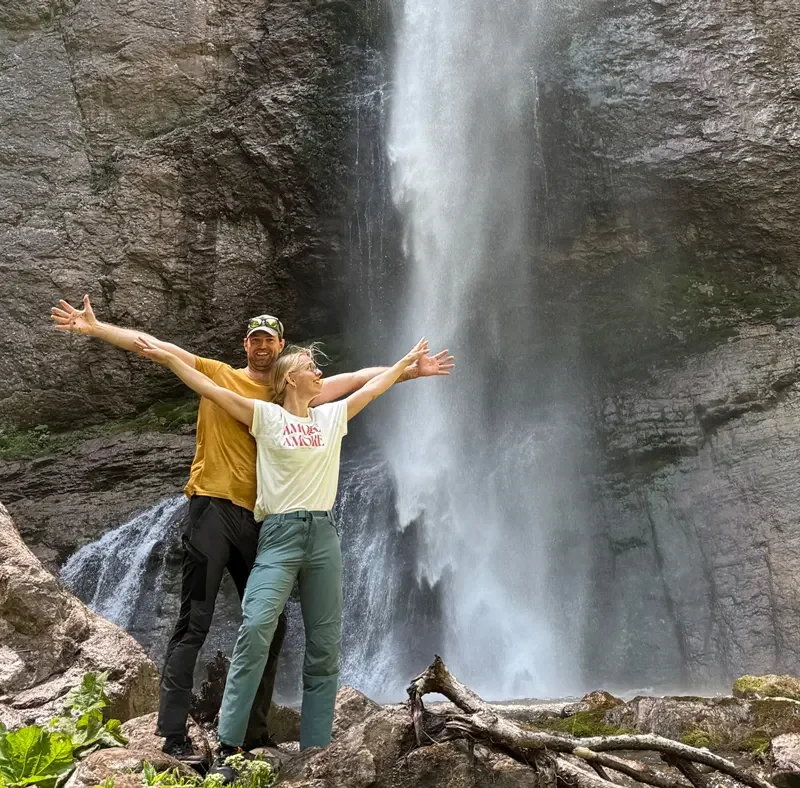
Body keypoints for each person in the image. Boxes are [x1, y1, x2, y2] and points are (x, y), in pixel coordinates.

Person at [50, 296, 454, 762]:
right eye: (255, 339)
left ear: (281, 348)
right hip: (214, 510)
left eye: (270, 340)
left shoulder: (299, 398)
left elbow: (363, 380)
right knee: (195, 620)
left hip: (259, 521)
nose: (262, 346)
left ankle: (256, 733)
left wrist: (409, 369)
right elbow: (156, 346)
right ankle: (175, 732)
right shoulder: (228, 380)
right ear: (246, 345)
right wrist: (98, 329)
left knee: (272, 625)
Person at [133, 335, 429, 771]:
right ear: (291, 378)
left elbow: (368, 387)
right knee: (256, 627)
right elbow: (211, 388)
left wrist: (405, 366)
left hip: (324, 535)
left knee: (325, 645)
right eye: (312, 367)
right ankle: (231, 742)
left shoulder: (331, 417)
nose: (320, 374)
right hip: (278, 532)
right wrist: (169, 360)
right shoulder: (265, 417)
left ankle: (316, 747)